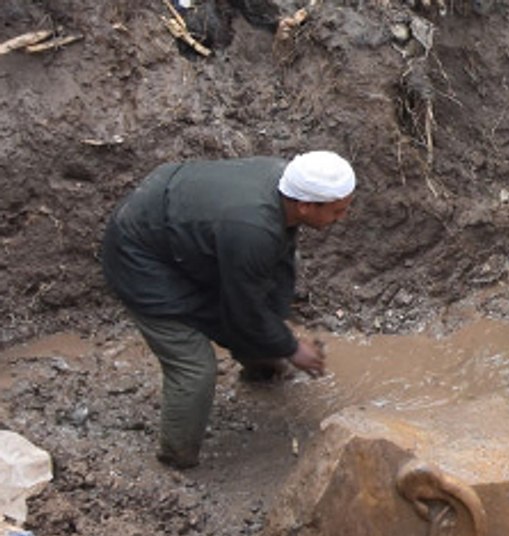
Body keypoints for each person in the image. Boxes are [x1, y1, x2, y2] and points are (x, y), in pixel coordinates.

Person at [100, 151, 356, 469]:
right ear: (306, 206)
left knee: (257, 310)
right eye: (337, 211)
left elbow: (277, 265)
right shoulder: (253, 228)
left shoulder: (285, 186)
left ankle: (262, 372)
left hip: (183, 234)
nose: (343, 217)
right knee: (195, 369)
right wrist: (291, 347)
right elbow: (245, 310)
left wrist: (276, 323)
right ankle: (176, 459)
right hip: (139, 253)